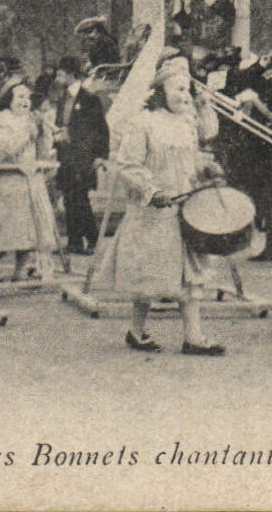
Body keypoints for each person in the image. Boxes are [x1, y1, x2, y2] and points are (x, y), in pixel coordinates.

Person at [89, 56, 227, 355]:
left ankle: (194, 337)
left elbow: (191, 160)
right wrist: (152, 191)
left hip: (186, 209)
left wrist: (208, 169)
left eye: (187, 90)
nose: (184, 96)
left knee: (190, 275)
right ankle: (136, 331)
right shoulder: (144, 123)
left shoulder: (187, 124)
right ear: (161, 92)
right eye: (177, 89)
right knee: (149, 274)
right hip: (153, 211)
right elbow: (128, 165)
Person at [0, 79, 58, 282]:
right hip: (6, 181)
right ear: (8, 99)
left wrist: (43, 133)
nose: (25, 101)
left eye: (28, 97)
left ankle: (21, 269)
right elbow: (5, 150)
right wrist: (27, 133)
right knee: (4, 229)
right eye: (20, 96)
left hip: (29, 180)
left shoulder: (32, 119)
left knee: (31, 228)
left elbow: (43, 154)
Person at [53, 56, 106, 256]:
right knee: (68, 198)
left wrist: (100, 155)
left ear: (70, 75)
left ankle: (93, 239)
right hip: (65, 156)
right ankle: (74, 241)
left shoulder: (89, 99)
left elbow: (101, 129)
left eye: (60, 74)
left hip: (83, 157)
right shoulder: (62, 99)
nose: (58, 78)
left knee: (80, 198)